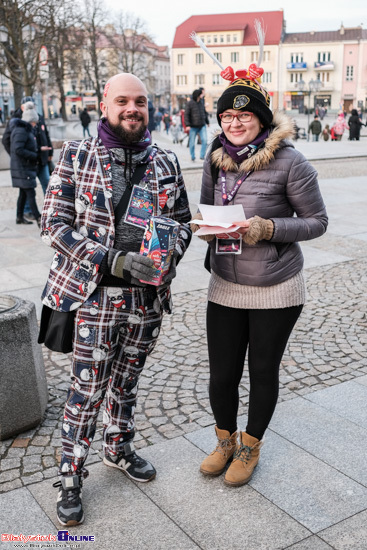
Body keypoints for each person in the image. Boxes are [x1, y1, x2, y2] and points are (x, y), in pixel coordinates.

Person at [40, 72, 192, 526]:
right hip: (95, 299)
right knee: (87, 391)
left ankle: (118, 448)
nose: (132, 109)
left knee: (127, 384)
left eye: (140, 101)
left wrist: (169, 256)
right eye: (123, 100)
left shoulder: (166, 161)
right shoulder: (75, 155)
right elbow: (53, 224)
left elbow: (183, 221)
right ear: (104, 105)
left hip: (147, 301)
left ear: (149, 106)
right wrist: (111, 260)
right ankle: (70, 475)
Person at [191, 70, 328, 487]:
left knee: (262, 371)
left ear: (262, 120)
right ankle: (224, 441)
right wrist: (205, 226)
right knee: (221, 374)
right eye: (227, 116)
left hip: (276, 287)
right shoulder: (216, 156)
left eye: (244, 115)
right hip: (226, 281)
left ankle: (250, 446)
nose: (234, 123)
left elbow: (317, 221)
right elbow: (206, 207)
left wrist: (268, 228)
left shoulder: (291, 161)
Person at [2, 96, 53, 218]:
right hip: (28, 160)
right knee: (28, 189)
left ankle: (51, 208)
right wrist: (16, 155)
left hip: (40, 157)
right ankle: (31, 213)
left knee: (46, 183)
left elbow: (45, 134)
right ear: (22, 107)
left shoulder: (38, 117)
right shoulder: (18, 122)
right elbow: (9, 142)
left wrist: (48, 152)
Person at [10, 102, 42, 226]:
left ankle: (19, 217)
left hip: (23, 166)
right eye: (34, 122)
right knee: (30, 193)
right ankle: (39, 218)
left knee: (23, 193)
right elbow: (18, 149)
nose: (35, 124)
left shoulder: (24, 130)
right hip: (22, 167)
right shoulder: (21, 131)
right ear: (30, 121)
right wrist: (34, 156)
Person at [184, 89, 208, 161]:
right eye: (201, 94)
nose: (202, 95)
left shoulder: (201, 102)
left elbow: (204, 113)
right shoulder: (190, 103)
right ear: (198, 95)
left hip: (202, 125)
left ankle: (202, 155)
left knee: (205, 140)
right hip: (193, 126)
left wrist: (207, 121)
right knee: (192, 142)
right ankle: (192, 156)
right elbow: (186, 114)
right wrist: (187, 125)